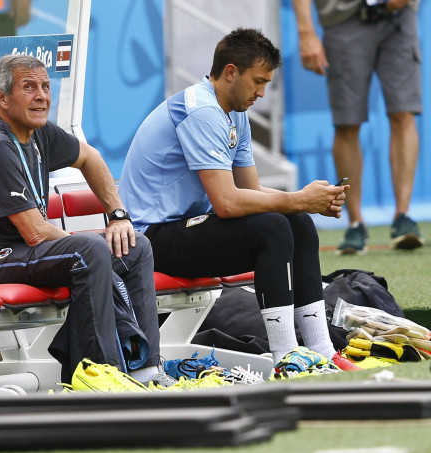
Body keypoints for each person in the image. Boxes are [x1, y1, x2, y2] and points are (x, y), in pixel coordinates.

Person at [118, 28, 347, 372]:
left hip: (183, 229)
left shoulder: (234, 111)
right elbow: (227, 203)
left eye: (267, 83)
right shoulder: (201, 111)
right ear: (230, 72)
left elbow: (251, 192)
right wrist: (299, 198)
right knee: (273, 226)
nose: (261, 92)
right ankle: (286, 359)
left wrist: (306, 202)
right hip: (149, 240)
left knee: (297, 223)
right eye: (258, 81)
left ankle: (323, 350)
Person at [0, 54, 169, 389]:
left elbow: (90, 157)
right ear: (2, 98)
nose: (42, 95)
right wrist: (91, 253)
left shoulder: (39, 133)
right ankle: (102, 377)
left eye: (46, 86)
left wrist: (117, 215)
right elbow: (34, 233)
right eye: (29, 87)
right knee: (89, 252)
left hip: (22, 251)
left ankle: (146, 371)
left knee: (136, 246)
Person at [292, 0, 423, 254]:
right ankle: (355, 223)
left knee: (403, 113)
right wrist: (306, 32)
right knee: (347, 123)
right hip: (344, 18)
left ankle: (403, 217)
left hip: (399, 15)